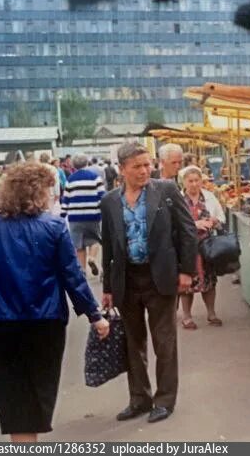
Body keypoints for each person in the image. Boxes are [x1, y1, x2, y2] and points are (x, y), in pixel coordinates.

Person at [0, 163, 109, 442]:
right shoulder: (52, 227)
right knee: (40, 391)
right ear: (39, 191)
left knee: (12, 394)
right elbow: (72, 276)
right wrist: (94, 315)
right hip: (44, 322)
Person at [100, 143, 197, 423]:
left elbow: (187, 230)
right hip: (127, 280)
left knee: (164, 341)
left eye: (147, 164)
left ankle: (164, 400)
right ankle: (139, 399)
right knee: (133, 342)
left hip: (161, 277)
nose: (144, 171)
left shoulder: (165, 191)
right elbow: (109, 246)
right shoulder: (109, 201)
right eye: (137, 166)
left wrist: (186, 270)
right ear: (122, 170)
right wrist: (107, 287)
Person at [178, 166, 226, 330]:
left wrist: (214, 221)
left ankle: (211, 314)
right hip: (186, 248)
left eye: (196, 180)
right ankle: (186, 316)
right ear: (184, 182)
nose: (193, 184)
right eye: (190, 181)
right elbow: (172, 223)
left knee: (209, 280)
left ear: (201, 181)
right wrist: (194, 224)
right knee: (186, 283)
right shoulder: (178, 199)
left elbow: (221, 217)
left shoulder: (210, 197)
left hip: (207, 246)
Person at [61, 154, 105, 277]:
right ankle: (91, 258)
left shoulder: (70, 179)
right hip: (93, 215)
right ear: (87, 163)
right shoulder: (95, 178)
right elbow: (102, 196)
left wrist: (63, 214)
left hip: (75, 217)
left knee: (79, 245)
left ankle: (83, 272)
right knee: (95, 240)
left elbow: (66, 199)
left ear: (73, 165)